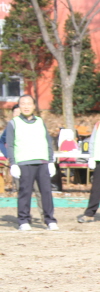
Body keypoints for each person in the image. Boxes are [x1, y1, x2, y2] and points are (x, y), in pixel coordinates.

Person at [6, 95, 57, 231]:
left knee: (46, 192)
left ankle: (49, 220)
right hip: (24, 162)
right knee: (25, 192)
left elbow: (48, 142)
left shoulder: (40, 122)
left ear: (34, 106)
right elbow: (9, 144)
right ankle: (23, 220)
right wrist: (13, 163)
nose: (26, 106)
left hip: (42, 161)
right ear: (19, 106)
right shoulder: (14, 123)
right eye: (23, 103)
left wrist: (51, 160)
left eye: (29, 103)